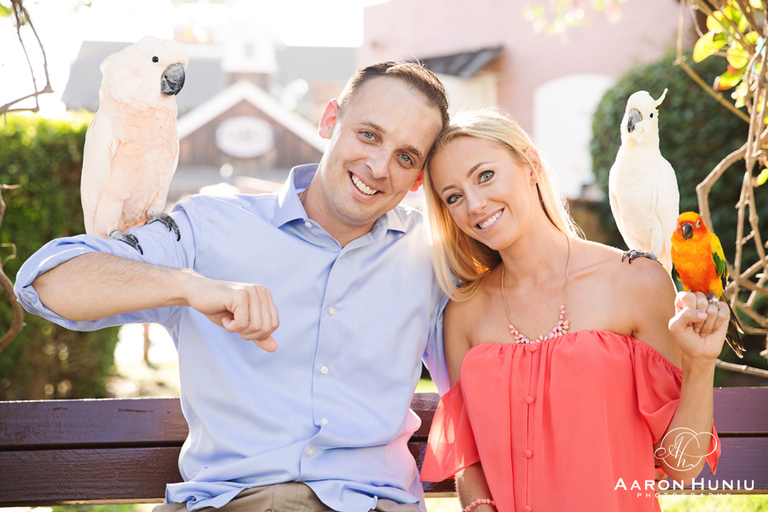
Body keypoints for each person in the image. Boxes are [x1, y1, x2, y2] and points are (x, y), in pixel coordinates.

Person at [14, 62, 453, 512]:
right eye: (368, 135)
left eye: (406, 157)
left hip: (373, 503)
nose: (378, 166)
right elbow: (46, 282)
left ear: (419, 176)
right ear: (329, 121)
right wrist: (187, 286)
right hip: (231, 502)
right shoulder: (209, 227)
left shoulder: (436, 257)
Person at [419, 107, 724, 512]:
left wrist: (701, 365)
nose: (474, 204)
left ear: (530, 165)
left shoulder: (637, 283)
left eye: (485, 175)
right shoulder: (464, 313)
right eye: (453, 196)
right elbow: (468, 458)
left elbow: (681, 467)